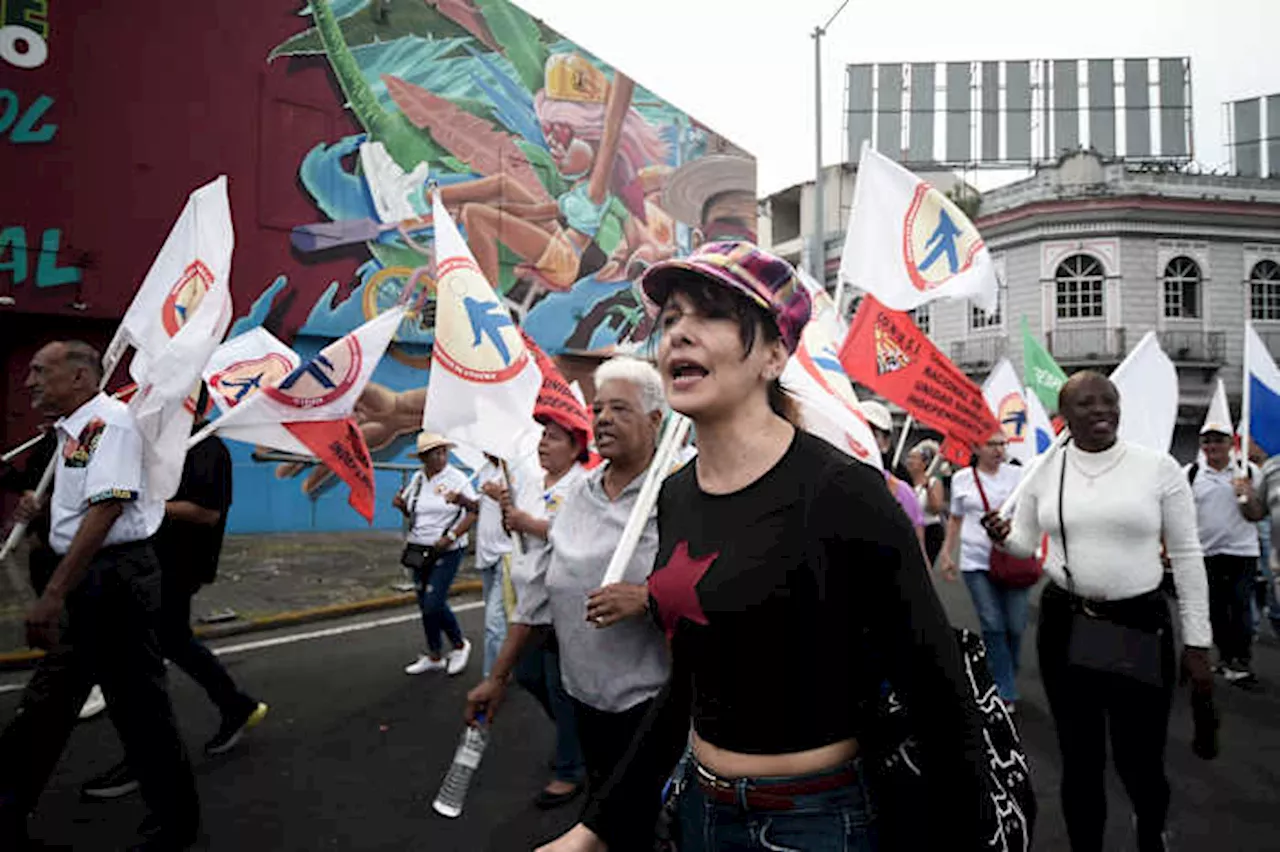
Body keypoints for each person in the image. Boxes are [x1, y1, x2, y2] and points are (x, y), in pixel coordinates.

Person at [537, 242, 992, 852]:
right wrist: (596, 827)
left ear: (775, 353)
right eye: (670, 319)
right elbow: (688, 684)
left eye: (712, 315)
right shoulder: (675, 494)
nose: (680, 335)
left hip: (818, 821)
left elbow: (937, 695)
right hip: (699, 812)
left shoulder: (842, 492)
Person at [983, 370, 1213, 852]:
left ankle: (1151, 830)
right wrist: (1006, 537)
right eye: (1086, 404)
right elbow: (1028, 545)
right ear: (1064, 417)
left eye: (1108, 401)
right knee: (1079, 754)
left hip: (1138, 624)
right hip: (1067, 622)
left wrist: (1197, 639)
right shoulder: (1045, 469)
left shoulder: (1158, 468)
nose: (1101, 410)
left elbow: (1188, 555)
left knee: (1139, 756)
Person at [0, 341, 199, 850]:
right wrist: (39, 513)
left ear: (81, 378)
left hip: (112, 581)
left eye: (42, 371)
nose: (30, 382)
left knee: (132, 708)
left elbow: (106, 510)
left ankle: (175, 826)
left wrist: (53, 594)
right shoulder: (76, 432)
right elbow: (79, 507)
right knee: (62, 701)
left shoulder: (107, 424)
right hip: (97, 579)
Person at [466, 357, 669, 813]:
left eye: (620, 409)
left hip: (653, 704)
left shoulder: (679, 491)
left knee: (648, 816)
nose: (603, 419)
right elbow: (539, 593)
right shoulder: (579, 494)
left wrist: (650, 598)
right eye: (598, 410)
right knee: (605, 808)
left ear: (656, 420)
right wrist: (497, 679)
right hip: (583, 696)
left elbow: (720, 587)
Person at [80, 388, 269, 800]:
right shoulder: (170, 445)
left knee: (143, 655)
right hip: (151, 561)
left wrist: (149, 502)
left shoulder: (208, 448)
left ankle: (148, 758)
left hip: (179, 566)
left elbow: (208, 512)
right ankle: (235, 706)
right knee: (172, 642)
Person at [496, 413, 591, 808]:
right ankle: (579, 741)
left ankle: (570, 769)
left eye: (553, 439)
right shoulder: (534, 485)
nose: (543, 445)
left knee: (556, 683)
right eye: (542, 438)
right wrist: (510, 515)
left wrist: (527, 522)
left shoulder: (584, 486)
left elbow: (576, 535)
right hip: (532, 596)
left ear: (575, 447)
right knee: (529, 674)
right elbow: (520, 534)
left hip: (563, 602)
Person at [936, 433, 1028, 708]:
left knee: (1015, 625)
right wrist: (946, 553)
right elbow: (955, 519)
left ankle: (1005, 670)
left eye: (1002, 443)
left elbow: (1030, 512)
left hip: (1014, 558)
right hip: (975, 560)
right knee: (992, 623)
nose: (999, 449)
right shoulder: (963, 478)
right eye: (992, 444)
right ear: (975, 446)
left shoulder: (1019, 475)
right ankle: (1004, 687)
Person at [392, 432, 477, 676]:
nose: (442, 457)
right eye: (435, 453)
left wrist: (451, 536)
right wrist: (402, 507)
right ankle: (435, 654)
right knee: (424, 603)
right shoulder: (418, 480)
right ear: (423, 457)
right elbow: (414, 513)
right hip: (420, 548)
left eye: (444, 451)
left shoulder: (457, 478)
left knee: (433, 602)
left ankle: (459, 644)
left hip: (448, 549)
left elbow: (473, 510)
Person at [1188, 424, 1265, 685]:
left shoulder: (1249, 472)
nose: (1212, 447)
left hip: (1242, 552)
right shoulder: (1191, 473)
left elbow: (1257, 514)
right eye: (1207, 442)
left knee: (1241, 605)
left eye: (1218, 441)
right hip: (1206, 551)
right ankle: (1224, 657)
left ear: (1230, 444)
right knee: (1216, 609)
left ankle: (1241, 661)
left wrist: (1246, 495)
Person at [447, 453, 511, 678]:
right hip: (486, 554)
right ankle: (513, 662)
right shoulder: (484, 469)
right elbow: (482, 508)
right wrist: (462, 501)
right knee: (502, 618)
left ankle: (493, 679)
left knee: (495, 622)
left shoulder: (515, 471)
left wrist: (501, 497)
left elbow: (523, 513)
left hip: (508, 555)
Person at [861, 400, 927, 553]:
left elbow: (918, 553)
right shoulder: (829, 483)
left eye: (873, 433)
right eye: (859, 429)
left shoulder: (902, 492)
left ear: (886, 443)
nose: (863, 438)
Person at [905, 439, 947, 563]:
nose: (910, 461)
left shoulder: (934, 482)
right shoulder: (905, 483)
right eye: (909, 458)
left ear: (924, 463)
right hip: (911, 530)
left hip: (930, 531)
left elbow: (935, 509)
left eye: (914, 458)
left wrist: (928, 488)